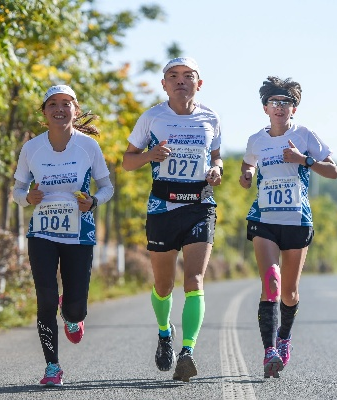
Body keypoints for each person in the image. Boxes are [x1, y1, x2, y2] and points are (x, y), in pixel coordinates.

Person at [122, 57, 223, 382]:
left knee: (193, 280)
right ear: (164, 84)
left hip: (200, 204)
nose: (180, 80)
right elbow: (126, 162)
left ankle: (187, 351)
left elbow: (217, 156)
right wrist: (149, 156)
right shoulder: (152, 117)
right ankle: (165, 332)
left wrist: (216, 170)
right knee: (164, 286)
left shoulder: (211, 117)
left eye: (188, 76)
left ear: (199, 83)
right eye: (173, 76)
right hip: (163, 207)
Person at [12, 84, 113, 386]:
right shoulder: (31, 148)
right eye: (53, 104)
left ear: (75, 109)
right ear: (44, 113)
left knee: (75, 305)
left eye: (66, 103)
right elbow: (17, 191)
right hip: (42, 232)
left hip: (79, 234)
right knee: (44, 299)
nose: (59, 109)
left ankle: (72, 315)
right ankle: (52, 367)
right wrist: (27, 198)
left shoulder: (88, 147)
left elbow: (107, 187)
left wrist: (94, 201)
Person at [239, 76, 337, 378]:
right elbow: (248, 164)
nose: (280, 107)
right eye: (274, 102)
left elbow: (333, 171)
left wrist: (303, 159)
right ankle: (269, 350)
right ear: (265, 108)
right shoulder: (256, 139)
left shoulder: (306, 135)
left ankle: (284, 338)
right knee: (271, 281)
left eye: (286, 103)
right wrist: (246, 174)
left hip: (297, 220)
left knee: (290, 293)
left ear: (294, 108)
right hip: (264, 219)